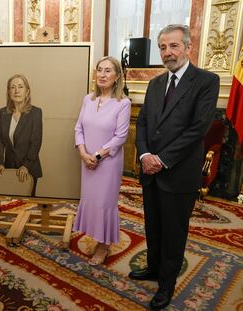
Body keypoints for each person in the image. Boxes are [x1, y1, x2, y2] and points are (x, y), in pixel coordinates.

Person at [129, 24, 220, 310]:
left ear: (188, 47)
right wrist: (144, 155)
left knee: (174, 232)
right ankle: (154, 268)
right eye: (163, 47)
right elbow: (142, 122)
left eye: (174, 46)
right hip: (150, 171)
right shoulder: (156, 83)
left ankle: (166, 285)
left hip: (178, 173)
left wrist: (162, 159)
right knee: (153, 226)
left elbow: (198, 129)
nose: (168, 53)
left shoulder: (206, 81)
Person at [73, 56, 131, 266]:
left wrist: (96, 156)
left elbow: (120, 137)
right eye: (99, 70)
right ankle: (95, 236)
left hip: (107, 163)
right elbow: (78, 127)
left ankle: (104, 245)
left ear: (117, 77)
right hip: (87, 161)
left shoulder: (123, 103)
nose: (102, 75)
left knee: (105, 203)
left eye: (108, 71)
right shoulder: (87, 99)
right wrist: (82, 153)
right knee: (91, 200)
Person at [0, 74, 42, 196]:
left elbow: (36, 142)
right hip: (9, 168)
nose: (16, 90)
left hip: (28, 168)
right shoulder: (3, 112)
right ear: (9, 92)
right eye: (12, 87)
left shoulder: (35, 113)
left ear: (27, 91)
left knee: (27, 206)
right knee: (9, 205)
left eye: (20, 87)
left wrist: (26, 166)